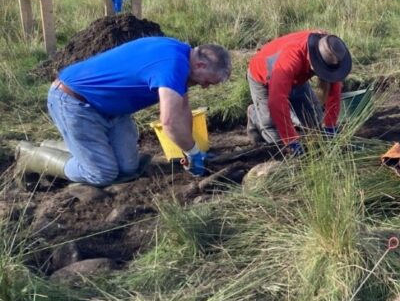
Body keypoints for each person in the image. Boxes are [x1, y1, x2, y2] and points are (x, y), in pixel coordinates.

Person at [18, 38, 232, 186]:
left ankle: (65, 147)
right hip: (74, 101)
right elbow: (169, 122)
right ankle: (30, 156)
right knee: (102, 174)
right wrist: (193, 153)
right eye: (208, 82)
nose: (205, 87)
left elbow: (183, 110)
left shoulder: (181, 55)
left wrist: (191, 150)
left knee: (129, 168)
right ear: (201, 65)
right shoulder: (173, 66)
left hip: (112, 110)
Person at [247, 30, 352, 153]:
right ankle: (255, 114)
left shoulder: (330, 50)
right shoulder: (290, 60)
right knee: (274, 134)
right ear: (314, 64)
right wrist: (290, 140)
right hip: (262, 77)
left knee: (314, 124)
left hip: (297, 78)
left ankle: (290, 117)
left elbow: (334, 90)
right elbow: (277, 100)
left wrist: (330, 125)